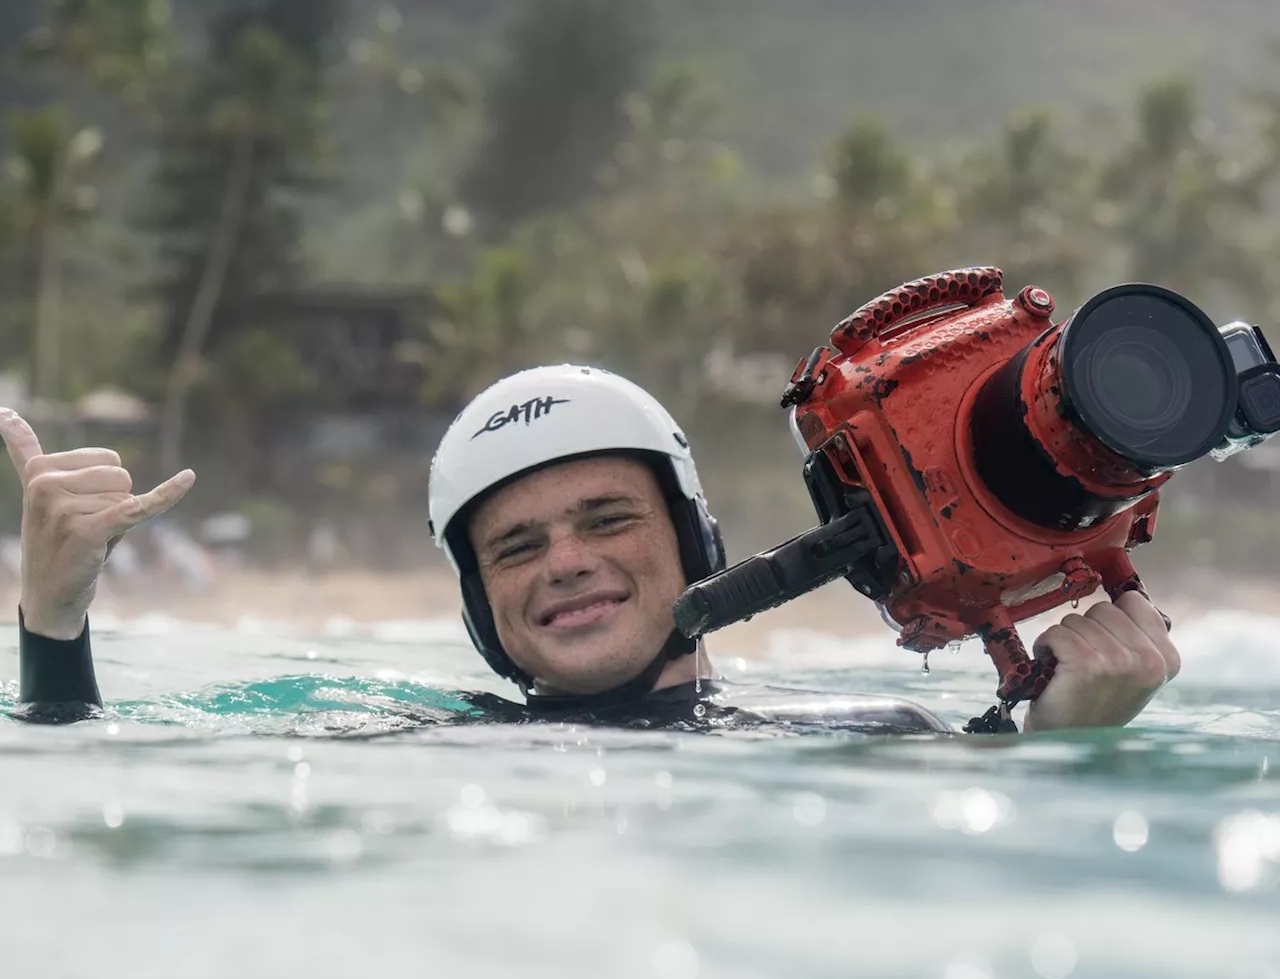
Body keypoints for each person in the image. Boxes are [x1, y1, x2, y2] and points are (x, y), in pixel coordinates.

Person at [0, 365, 1180, 731]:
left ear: (695, 544)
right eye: (513, 546)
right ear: (477, 605)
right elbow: (98, 792)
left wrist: (1073, 743)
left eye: (607, 520)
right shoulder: (400, 739)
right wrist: (52, 626)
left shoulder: (876, 741)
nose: (562, 559)